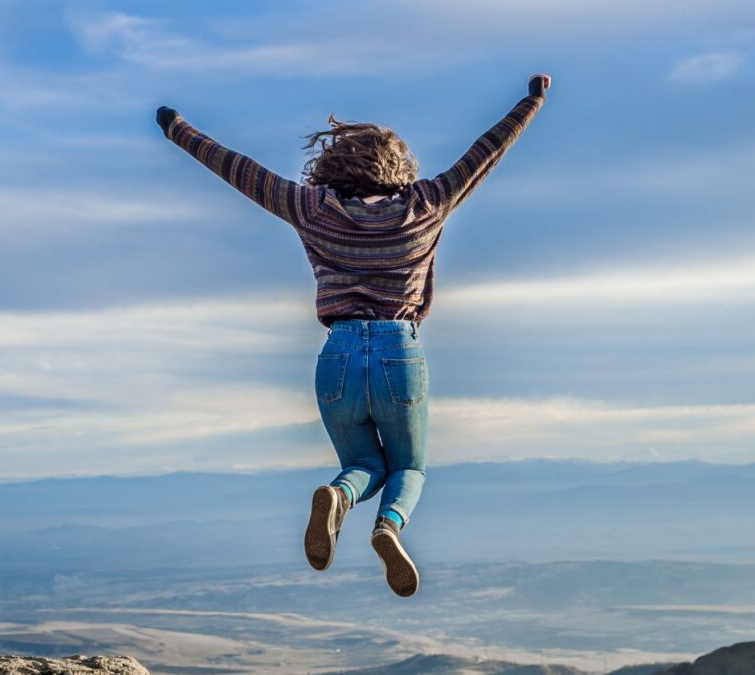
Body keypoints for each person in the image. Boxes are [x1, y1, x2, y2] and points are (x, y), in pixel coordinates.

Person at [156, 73, 550, 597]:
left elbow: (239, 170)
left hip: (337, 355)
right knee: (408, 466)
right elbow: (485, 152)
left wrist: (177, 129)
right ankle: (388, 528)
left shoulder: (311, 208)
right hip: (398, 351)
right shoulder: (426, 204)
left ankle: (340, 497)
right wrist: (532, 101)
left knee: (363, 463)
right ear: (399, 168)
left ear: (332, 167)